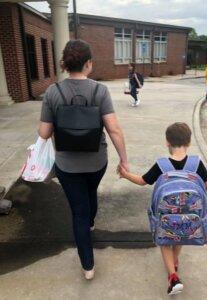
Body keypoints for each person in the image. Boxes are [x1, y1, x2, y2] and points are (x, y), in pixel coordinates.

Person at [38, 39, 128, 280]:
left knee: (78, 209)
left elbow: (44, 133)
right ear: (88, 63)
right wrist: (124, 160)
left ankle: (87, 266)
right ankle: (89, 224)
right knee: (90, 194)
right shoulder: (100, 91)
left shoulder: (52, 92)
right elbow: (114, 129)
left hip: (67, 165)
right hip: (97, 161)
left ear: (66, 64)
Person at [118, 122, 207, 295]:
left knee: (165, 239)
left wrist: (124, 174)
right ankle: (174, 263)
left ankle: (173, 277)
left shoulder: (162, 165)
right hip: (190, 215)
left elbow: (142, 181)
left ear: (167, 142)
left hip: (165, 214)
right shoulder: (196, 163)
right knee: (181, 234)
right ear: (189, 142)